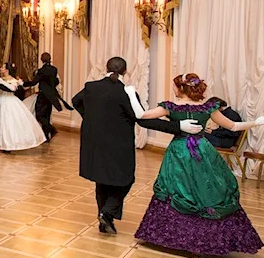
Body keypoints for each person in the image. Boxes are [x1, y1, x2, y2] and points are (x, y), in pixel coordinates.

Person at [128, 73, 264, 254]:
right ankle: (210, 239)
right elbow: (233, 126)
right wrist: (255, 123)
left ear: (182, 88)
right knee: (207, 189)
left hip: (179, 152)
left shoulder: (171, 106)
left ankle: (173, 236)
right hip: (203, 150)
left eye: (175, 86)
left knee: (177, 189)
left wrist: (131, 93)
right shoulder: (207, 108)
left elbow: (141, 114)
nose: (173, 89)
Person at [73, 57, 202, 235]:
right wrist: (177, 127)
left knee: (102, 181)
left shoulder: (91, 87)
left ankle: (105, 220)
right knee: (126, 179)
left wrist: (90, 118)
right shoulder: (126, 93)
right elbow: (144, 121)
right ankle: (107, 213)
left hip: (94, 142)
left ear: (106, 68)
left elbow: (75, 101)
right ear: (126, 72)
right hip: (119, 144)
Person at [0, 63, 46, 152]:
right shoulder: (0, 79)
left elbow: (13, 89)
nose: (1, 68)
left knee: (9, 122)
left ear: (7, 70)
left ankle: (10, 144)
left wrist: (1, 82)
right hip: (1, 100)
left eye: (2, 67)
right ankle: (2, 143)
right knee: (0, 122)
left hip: (10, 101)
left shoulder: (13, 80)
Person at [22, 53, 71, 141]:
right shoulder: (54, 69)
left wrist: (23, 83)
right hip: (51, 97)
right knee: (47, 115)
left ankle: (52, 129)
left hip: (42, 96)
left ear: (41, 60)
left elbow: (34, 82)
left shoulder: (42, 70)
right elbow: (55, 82)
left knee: (39, 115)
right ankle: (46, 137)